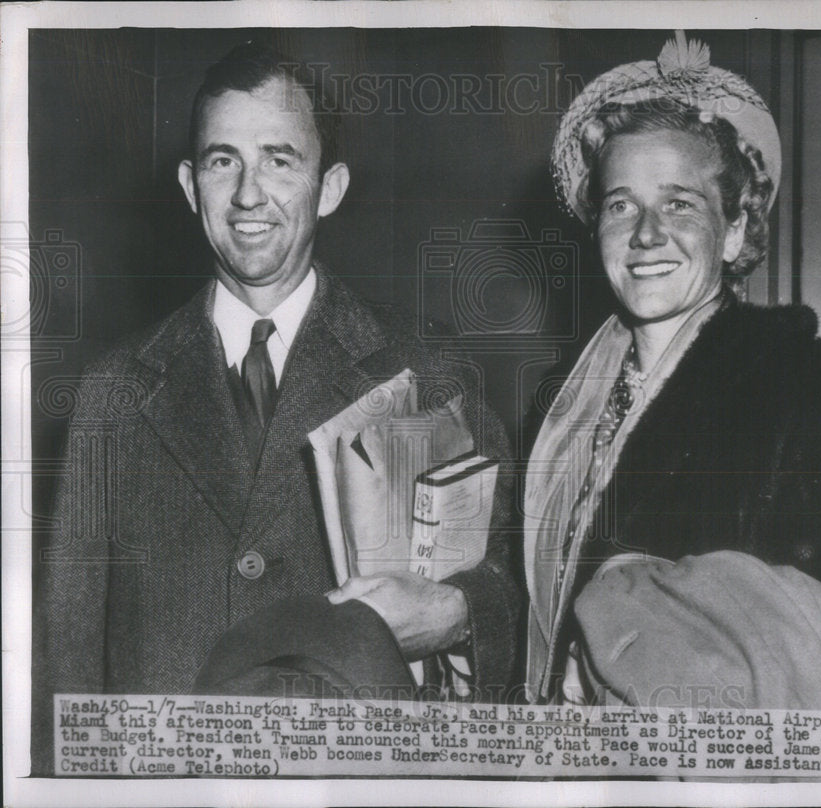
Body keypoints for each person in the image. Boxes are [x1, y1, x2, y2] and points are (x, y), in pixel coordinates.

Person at [32, 42, 518, 773]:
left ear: (330, 186)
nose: (249, 195)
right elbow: (64, 673)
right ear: (191, 186)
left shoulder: (427, 373)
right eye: (224, 161)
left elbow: (510, 585)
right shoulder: (112, 394)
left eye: (280, 160)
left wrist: (452, 614)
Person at [524, 34, 821, 778]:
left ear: (738, 228)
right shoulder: (559, 409)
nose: (646, 234)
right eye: (621, 204)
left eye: (679, 204)